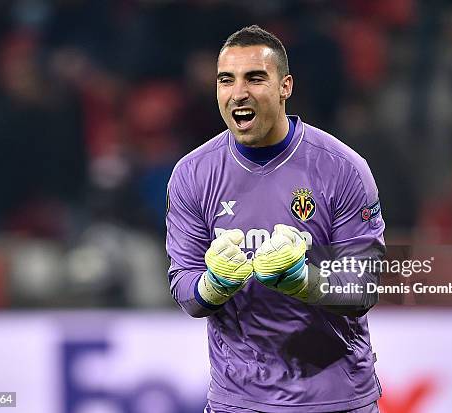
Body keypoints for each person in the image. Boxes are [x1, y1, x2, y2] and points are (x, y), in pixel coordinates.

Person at [166, 25, 385, 413]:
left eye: (255, 78)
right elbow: (184, 287)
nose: (238, 93)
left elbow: (363, 286)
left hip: (336, 398)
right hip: (240, 401)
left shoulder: (343, 169)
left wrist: (302, 281)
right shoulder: (192, 174)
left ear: (285, 86)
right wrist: (214, 285)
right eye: (226, 80)